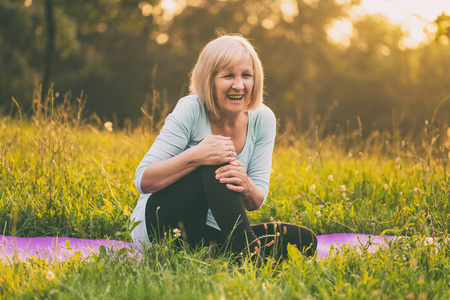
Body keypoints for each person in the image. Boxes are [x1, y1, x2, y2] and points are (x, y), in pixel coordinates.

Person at [130, 35, 317, 261]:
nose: (239, 85)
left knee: (303, 240)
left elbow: (255, 201)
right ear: (209, 80)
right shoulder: (190, 108)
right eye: (228, 75)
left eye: (246, 75)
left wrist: (246, 184)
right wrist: (198, 155)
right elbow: (144, 180)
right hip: (162, 225)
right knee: (217, 158)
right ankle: (250, 259)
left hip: (214, 231)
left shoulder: (263, 119)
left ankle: (233, 252)